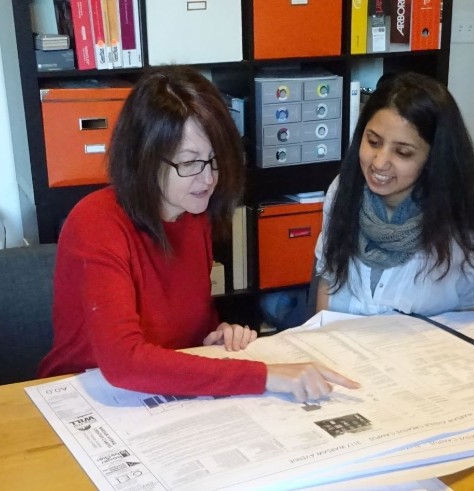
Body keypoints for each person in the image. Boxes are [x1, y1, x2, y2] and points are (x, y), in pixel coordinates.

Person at [37, 66, 359, 401]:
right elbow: (123, 362)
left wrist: (215, 334)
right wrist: (263, 375)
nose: (207, 179)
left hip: (159, 396)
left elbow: (185, 327)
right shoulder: (96, 222)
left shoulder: (193, 214)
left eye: (214, 159)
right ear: (144, 159)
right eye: (189, 163)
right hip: (84, 395)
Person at [314, 72, 474, 364]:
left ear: (434, 157)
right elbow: (329, 276)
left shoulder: (462, 212)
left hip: (425, 370)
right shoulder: (344, 188)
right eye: (373, 141)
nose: (379, 162)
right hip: (346, 360)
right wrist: (318, 347)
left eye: (402, 152)